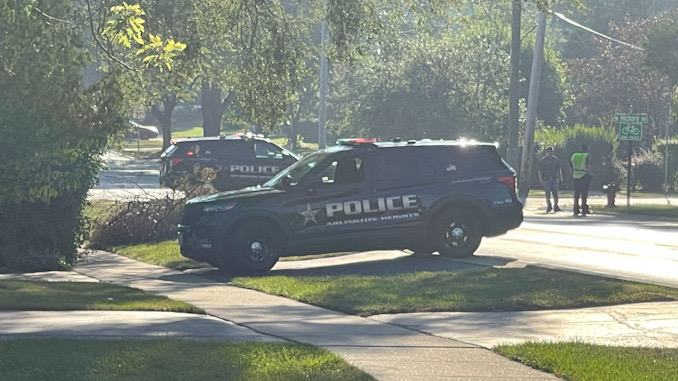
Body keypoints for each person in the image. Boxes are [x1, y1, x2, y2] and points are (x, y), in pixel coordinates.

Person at [570, 143, 593, 217]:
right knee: (584, 194)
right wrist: (591, 173)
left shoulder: (574, 155)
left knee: (576, 194)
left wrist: (572, 175)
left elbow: (570, 167)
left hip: (575, 176)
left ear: (580, 148)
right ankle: (584, 210)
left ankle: (575, 210)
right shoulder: (587, 155)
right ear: (587, 148)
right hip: (584, 176)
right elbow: (589, 165)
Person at [538, 146, 563, 213]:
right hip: (547, 179)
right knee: (547, 193)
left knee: (555, 193)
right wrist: (541, 179)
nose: (551, 152)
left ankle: (556, 206)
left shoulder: (555, 159)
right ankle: (549, 206)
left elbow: (558, 170)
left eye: (552, 151)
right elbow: (540, 171)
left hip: (554, 178)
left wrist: (560, 178)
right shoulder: (543, 160)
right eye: (549, 151)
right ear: (546, 152)